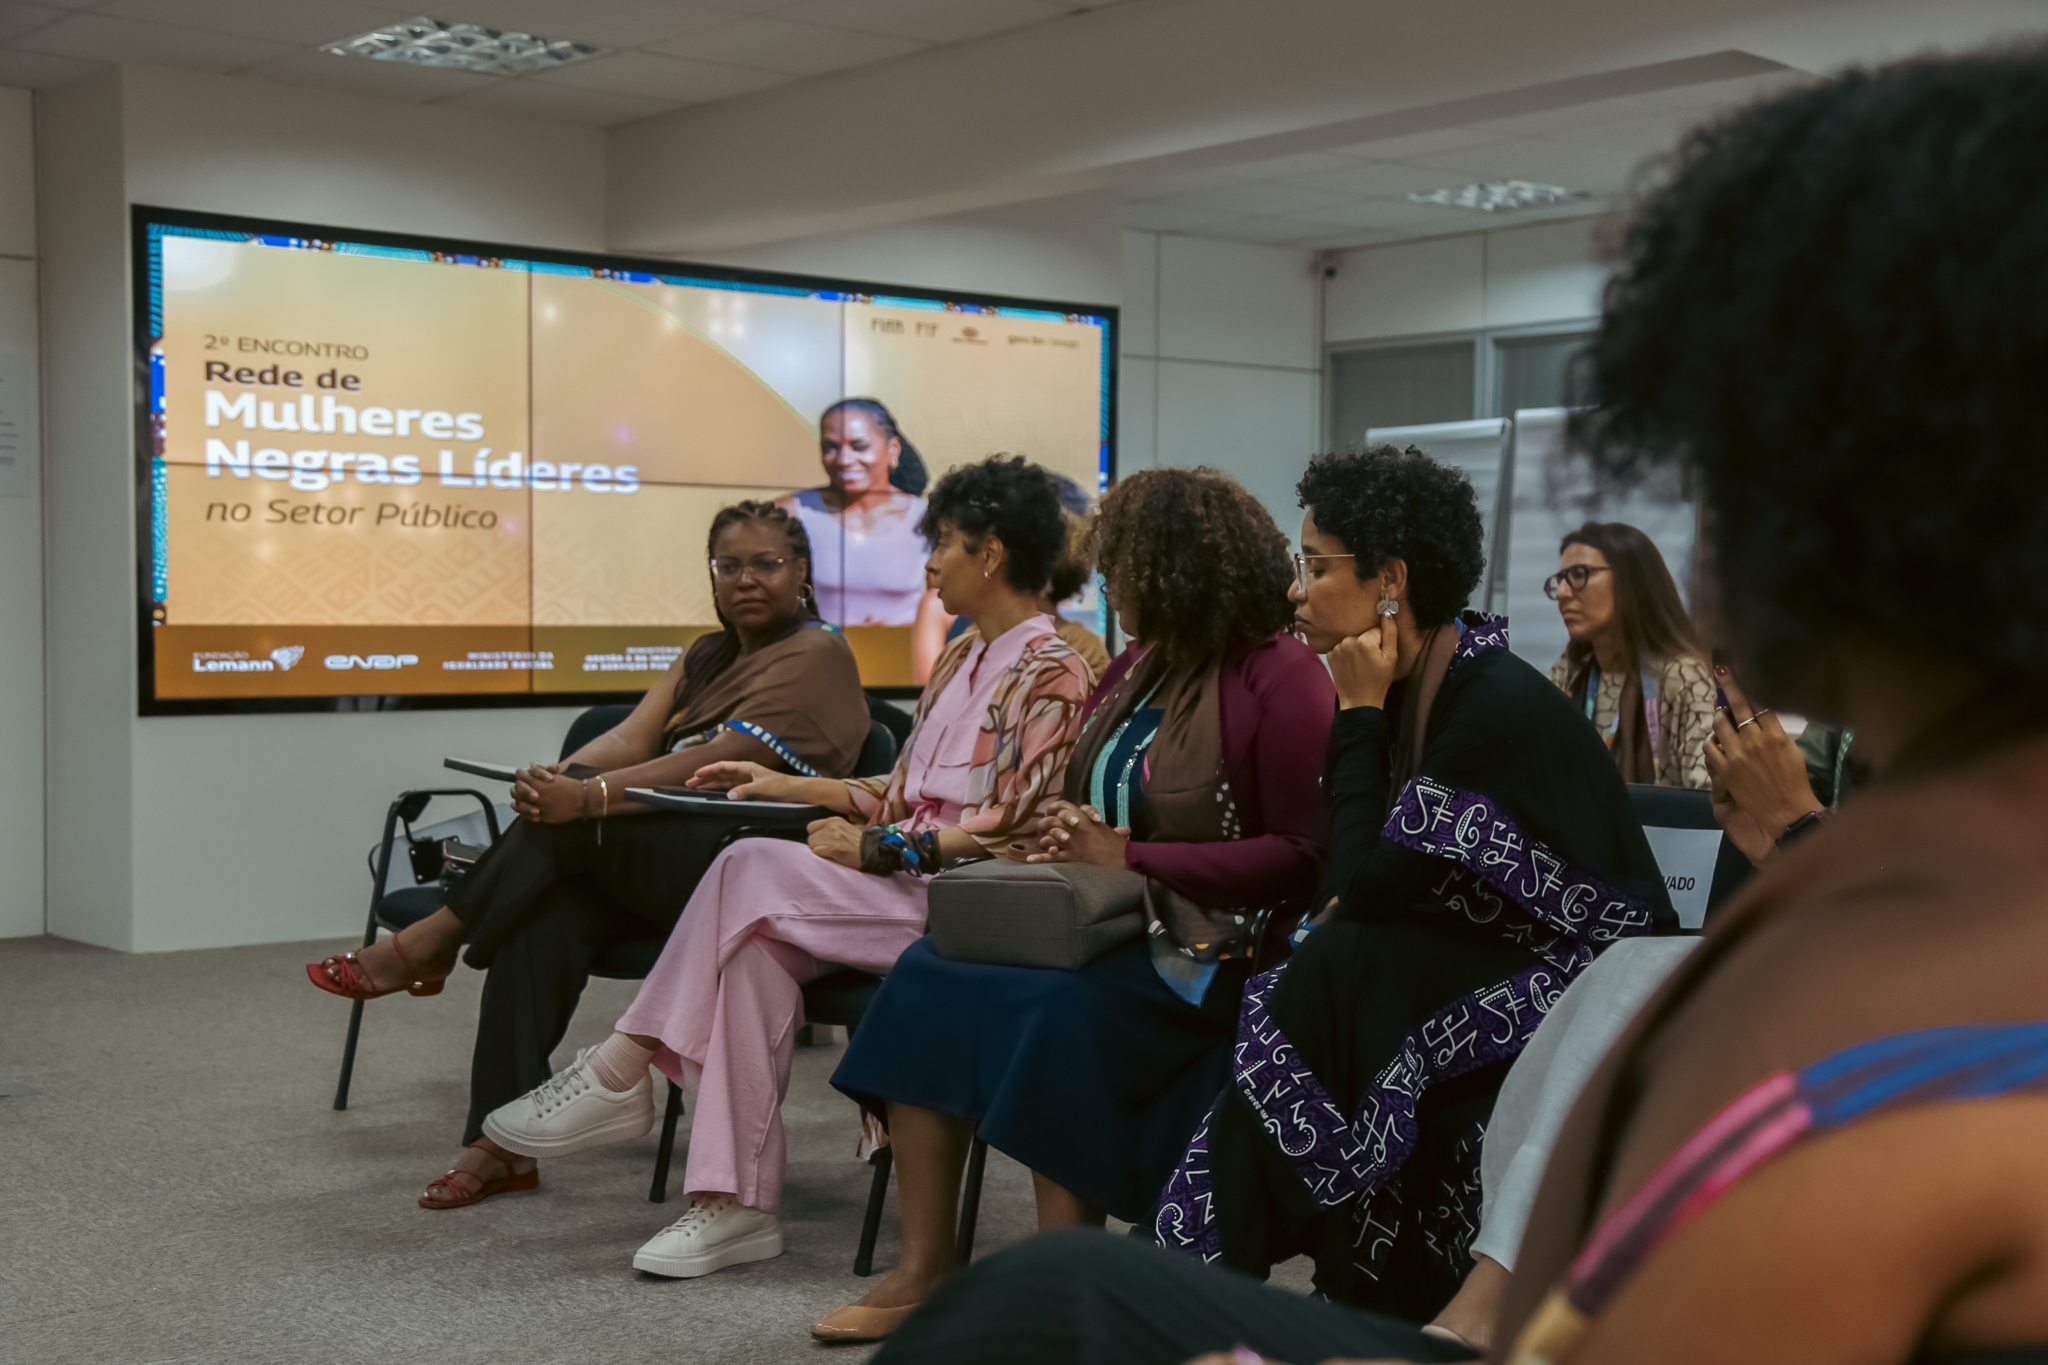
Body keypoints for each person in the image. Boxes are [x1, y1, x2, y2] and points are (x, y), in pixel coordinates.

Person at [876, 46, 2048, 1365]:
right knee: (1185, 1144)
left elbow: (1366, 877)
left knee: (1057, 1296)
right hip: (1482, 996)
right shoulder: (1926, 860)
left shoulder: (1894, 1001)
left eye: (1718, 455)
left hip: (1549, 985)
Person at [479, 455, 1092, 1277]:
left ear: (991, 554)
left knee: (747, 865)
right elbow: (903, 792)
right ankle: (737, 1203)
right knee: (754, 955)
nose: (929, 565)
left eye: (943, 544)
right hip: (904, 886)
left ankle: (624, 1064)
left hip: (968, 900)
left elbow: (1012, 825)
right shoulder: (958, 659)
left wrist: (877, 847)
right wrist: (790, 785)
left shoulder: (1056, 669)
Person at [1144, 446, 1673, 1322]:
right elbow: (1360, 888)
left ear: (1389, 580)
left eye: (1316, 566)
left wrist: (1356, 714)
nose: (1295, 592)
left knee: (1341, 962)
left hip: (1591, 983)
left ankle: (1189, 1272)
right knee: (1338, 965)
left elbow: (1358, 883)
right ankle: (1203, 1270)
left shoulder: (1487, 703)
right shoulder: (1426, 680)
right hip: (1493, 954)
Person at [817, 466, 1331, 1341]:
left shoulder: (1280, 676)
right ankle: (926, 1268)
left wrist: (1130, 854)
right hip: (1108, 918)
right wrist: (1071, 829)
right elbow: (1090, 792)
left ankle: (1071, 1291)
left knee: (1058, 1010)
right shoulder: (1140, 662)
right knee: (928, 972)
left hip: (1215, 948)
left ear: (1174, 569)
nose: (1108, 585)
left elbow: (1305, 854)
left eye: (1123, 566)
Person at [302, 501, 871, 1209]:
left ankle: (430, 942)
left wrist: (588, 797)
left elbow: (721, 763)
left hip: (745, 868)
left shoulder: (819, 652)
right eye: (729, 566)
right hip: (662, 858)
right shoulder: (707, 653)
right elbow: (631, 738)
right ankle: (497, 1145)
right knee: (543, 914)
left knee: (574, 822)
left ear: (802, 572)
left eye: (766, 563)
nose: (745, 579)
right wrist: (563, 778)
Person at [1546, 522, 1714, 788]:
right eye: (1560, 580)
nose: (1563, 593)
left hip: (1655, 817)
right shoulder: (1570, 673)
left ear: (1631, 581)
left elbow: (1708, 797)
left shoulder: (1683, 676)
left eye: (1579, 574)